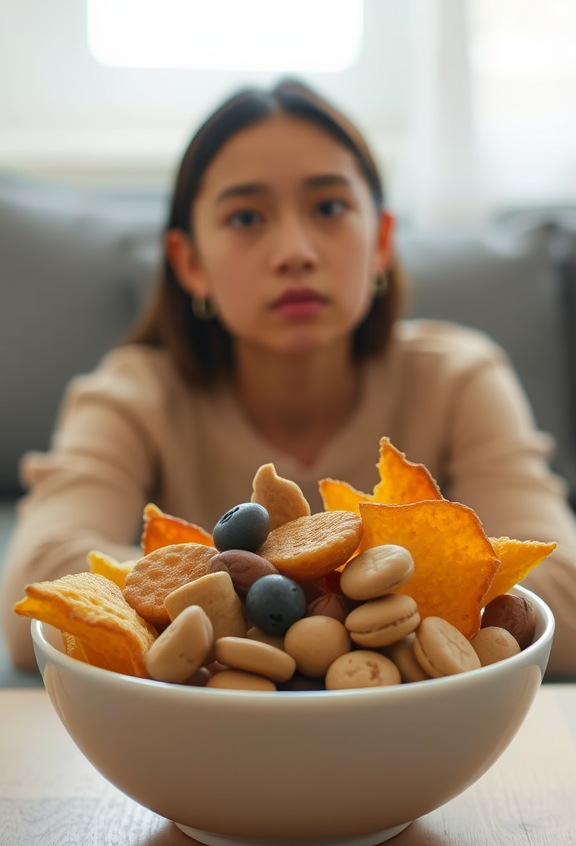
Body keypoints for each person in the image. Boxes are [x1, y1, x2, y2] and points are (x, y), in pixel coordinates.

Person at [2, 79, 576, 675]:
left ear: (381, 242)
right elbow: (38, 593)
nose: (295, 251)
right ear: (190, 263)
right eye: (247, 217)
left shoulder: (460, 377)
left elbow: (563, 589)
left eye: (329, 208)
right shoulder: (131, 393)